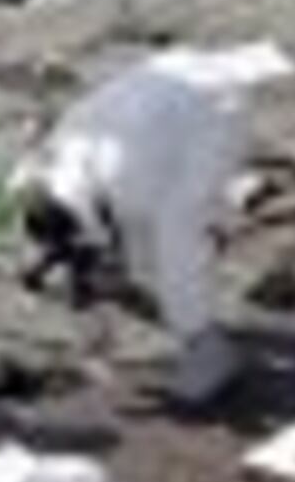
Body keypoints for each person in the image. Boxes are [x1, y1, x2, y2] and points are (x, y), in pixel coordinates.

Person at [14, 49, 264, 403]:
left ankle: (208, 348)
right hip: (167, 78)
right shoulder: (55, 164)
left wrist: (186, 318)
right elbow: (37, 175)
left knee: (179, 241)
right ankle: (147, 282)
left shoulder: (135, 188)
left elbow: (174, 251)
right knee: (146, 246)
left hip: (215, 108)